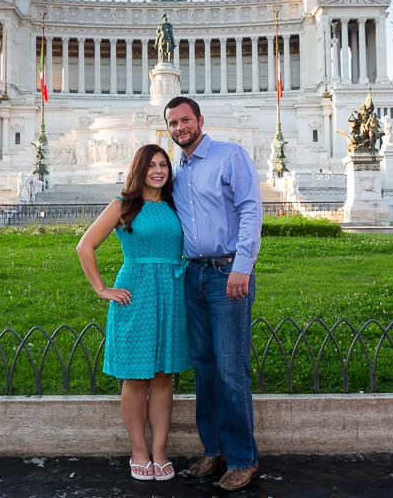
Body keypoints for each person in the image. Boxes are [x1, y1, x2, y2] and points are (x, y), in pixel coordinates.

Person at [164, 96, 263, 492]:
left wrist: (243, 265)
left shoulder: (229, 156)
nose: (180, 128)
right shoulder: (178, 171)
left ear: (200, 120)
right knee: (204, 369)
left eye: (185, 120)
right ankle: (214, 450)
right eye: (173, 123)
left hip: (227, 274)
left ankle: (243, 458)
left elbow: (251, 209)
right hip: (194, 275)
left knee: (229, 368)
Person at [76, 144, 190, 482]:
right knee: (137, 376)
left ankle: (160, 452)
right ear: (138, 170)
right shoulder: (123, 205)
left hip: (171, 291)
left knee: (163, 376)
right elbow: (85, 246)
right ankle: (139, 450)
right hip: (136, 292)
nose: (158, 171)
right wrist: (101, 288)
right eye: (151, 165)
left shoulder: (174, 204)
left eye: (163, 165)